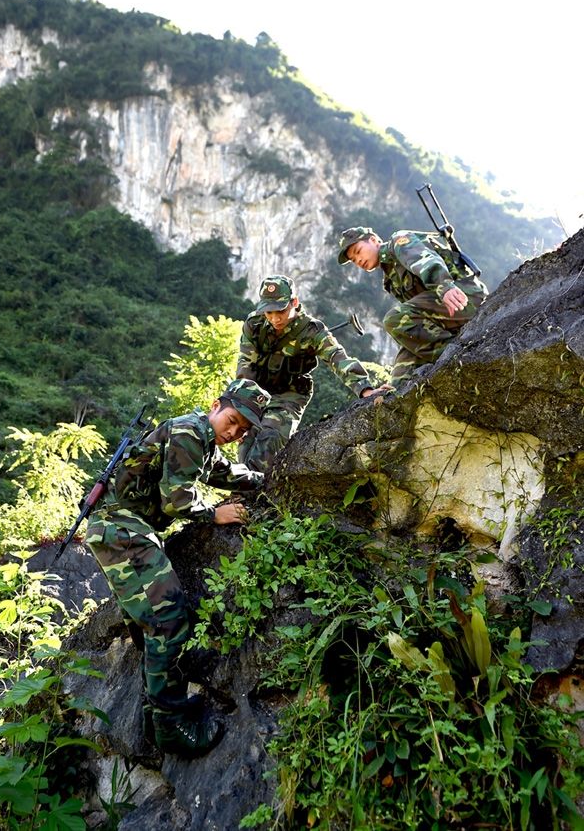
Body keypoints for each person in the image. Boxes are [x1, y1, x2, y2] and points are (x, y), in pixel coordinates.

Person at [84, 378, 271, 759]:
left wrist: (268, 479)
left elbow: (226, 474)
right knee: (168, 618)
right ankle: (169, 726)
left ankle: (156, 720)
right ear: (216, 405)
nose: (234, 432)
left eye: (243, 430)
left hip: (123, 528)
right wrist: (214, 513)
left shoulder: (200, 439)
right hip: (121, 528)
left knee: (153, 625)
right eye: (232, 420)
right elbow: (176, 502)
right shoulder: (190, 430)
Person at [236, 275, 389, 471]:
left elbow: (338, 359)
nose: (275, 318)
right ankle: (242, 492)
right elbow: (245, 367)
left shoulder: (312, 330)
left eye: (281, 310)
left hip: (290, 393)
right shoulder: (254, 324)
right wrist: (241, 407)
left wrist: (365, 389)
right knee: (246, 443)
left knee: (270, 438)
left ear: (294, 302)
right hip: (257, 391)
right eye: (269, 312)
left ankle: (251, 494)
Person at [337, 227, 488, 388]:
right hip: (445, 313)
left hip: (464, 298)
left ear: (374, 241)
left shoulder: (399, 241)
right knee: (401, 378)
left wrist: (444, 286)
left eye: (358, 251)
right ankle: (397, 393)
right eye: (353, 260)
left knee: (394, 319)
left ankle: (461, 355)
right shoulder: (390, 280)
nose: (358, 260)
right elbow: (419, 325)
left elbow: (424, 260)